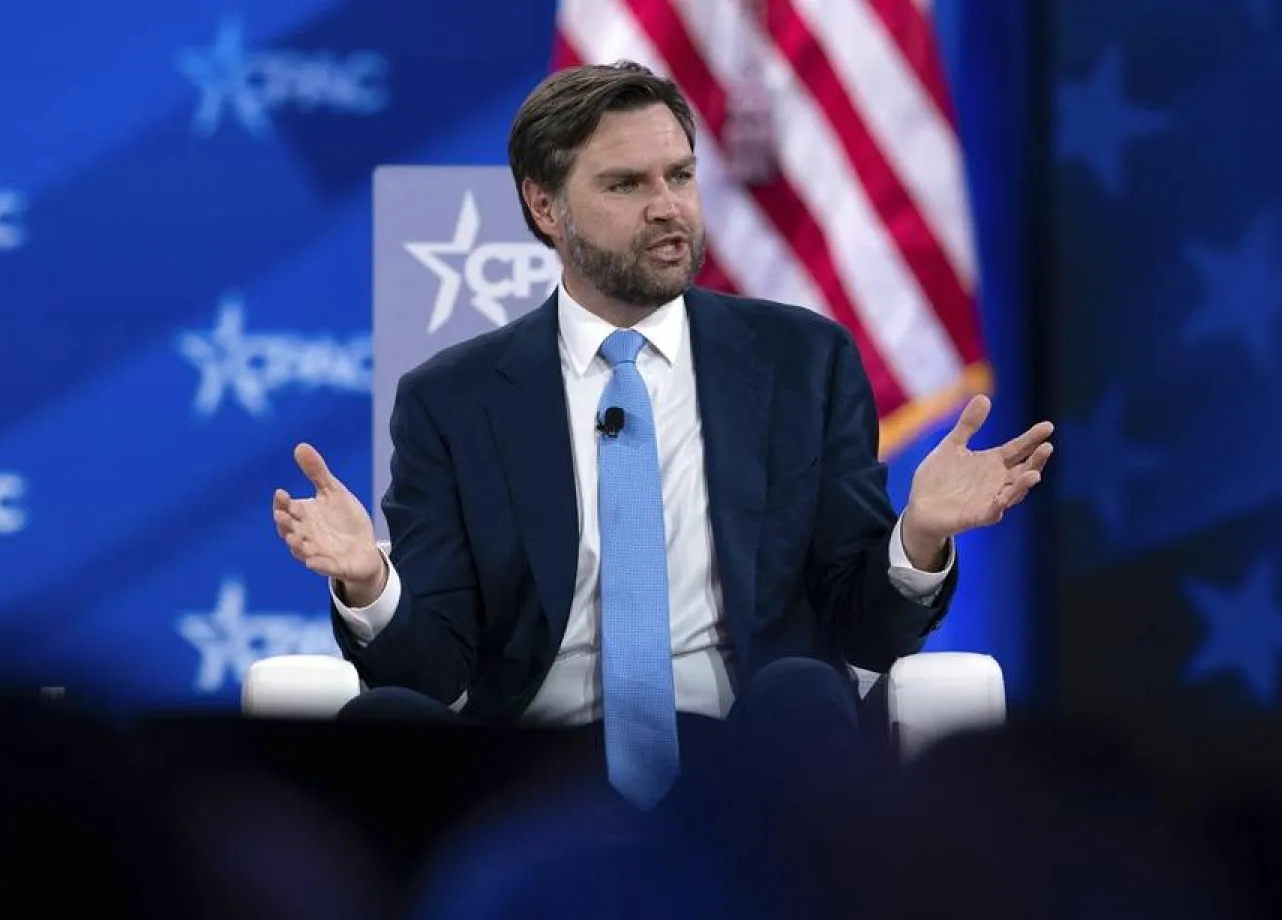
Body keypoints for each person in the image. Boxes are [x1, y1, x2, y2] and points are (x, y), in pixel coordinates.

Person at [272, 61, 1053, 813]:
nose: (668, 207)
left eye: (679, 176)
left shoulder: (803, 361)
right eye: (626, 184)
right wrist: (371, 584)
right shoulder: (452, 399)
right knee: (387, 725)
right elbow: (433, 671)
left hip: (753, 770)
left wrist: (917, 538)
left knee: (805, 688)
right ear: (545, 207)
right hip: (534, 781)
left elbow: (864, 628)